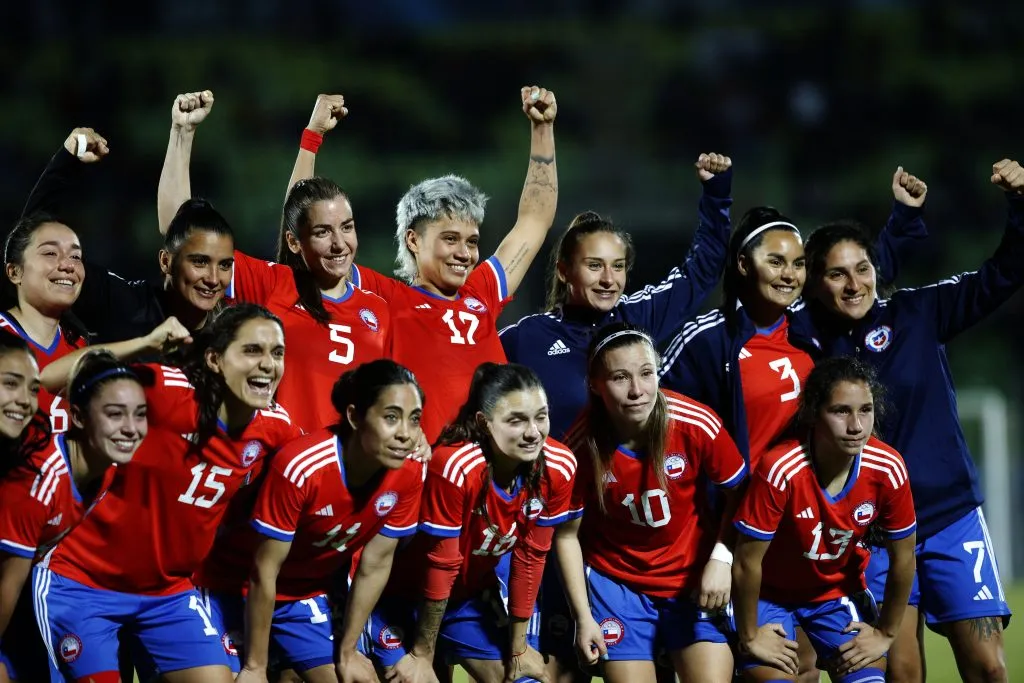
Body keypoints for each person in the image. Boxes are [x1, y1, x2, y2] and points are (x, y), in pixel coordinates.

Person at [799, 159, 1024, 683]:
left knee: (989, 667)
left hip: (950, 519)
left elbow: (1005, 273)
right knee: (903, 674)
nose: (854, 284)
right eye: (837, 273)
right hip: (871, 533)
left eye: (863, 269)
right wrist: (902, 221)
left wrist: (1020, 205)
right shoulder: (807, 342)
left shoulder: (920, 312)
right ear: (816, 282)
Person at [34, 303, 302, 683]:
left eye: (277, 353)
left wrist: (414, 453)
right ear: (213, 359)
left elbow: (322, 462)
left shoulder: (276, 429)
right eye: (252, 350)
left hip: (168, 594)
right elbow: (48, 379)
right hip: (82, 581)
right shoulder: (164, 391)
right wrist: (144, 342)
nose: (268, 364)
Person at [292, 86, 558, 442]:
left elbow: (534, 221)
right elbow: (306, 233)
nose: (465, 253)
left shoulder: (481, 293)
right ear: (413, 240)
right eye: (450, 239)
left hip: (495, 475)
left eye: (472, 242)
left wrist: (542, 130)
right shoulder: (386, 299)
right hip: (428, 477)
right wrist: (312, 140)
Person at [157, 91, 391, 433]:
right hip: (277, 470)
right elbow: (182, 233)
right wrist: (182, 133)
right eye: (325, 232)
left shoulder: (379, 305)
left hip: (350, 479)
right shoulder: (275, 285)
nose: (339, 243)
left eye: (348, 228)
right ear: (296, 243)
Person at [188, 359, 426, 683]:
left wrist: (348, 650)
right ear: (355, 416)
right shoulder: (303, 468)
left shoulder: (410, 473)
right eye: (391, 418)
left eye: (414, 420)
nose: (406, 435)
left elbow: (376, 562)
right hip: (234, 585)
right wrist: (255, 667)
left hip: (304, 593)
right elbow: (263, 570)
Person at [555, 323, 748, 683]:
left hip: (690, 579)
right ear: (595, 385)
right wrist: (583, 616)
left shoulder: (696, 423)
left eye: (646, 373)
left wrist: (722, 558)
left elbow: (741, 495)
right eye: (619, 377)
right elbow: (566, 536)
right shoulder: (579, 447)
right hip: (617, 585)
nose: (637, 391)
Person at [364, 362, 576, 683]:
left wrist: (517, 650)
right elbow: (442, 564)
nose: (533, 432)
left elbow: (530, 558)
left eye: (541, 416)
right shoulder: (454, 466)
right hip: (398, 597)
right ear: (485, 423)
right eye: (516, 420)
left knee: (523, 680)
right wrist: (423, 654)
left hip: (465, 602)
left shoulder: (557, 467)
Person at [500, 152, 733, 439]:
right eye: (595, 266)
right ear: (564, 271)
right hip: (558, 483)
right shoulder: (527, 337)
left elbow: (701, 272)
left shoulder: (637, 317)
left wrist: (716, 196)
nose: (609, 280)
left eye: (618, 266)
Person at [732, 356, 918, 683]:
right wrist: (749, 636)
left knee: (867, 676)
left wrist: (886, 633)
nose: (856, 426)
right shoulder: (780, 469)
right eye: (841, 411)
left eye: (865, 410)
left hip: (835, 597)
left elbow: (903, 558)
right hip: (768, 597)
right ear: (814, 413)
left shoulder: (887, 467)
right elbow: (747, 563)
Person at [0, 346, 147, 683]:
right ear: (79, 416)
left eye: (34, 389)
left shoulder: (102, 470)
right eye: (10, 384)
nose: (25, 399)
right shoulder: (38, 482)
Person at [22, 126, 235, 341]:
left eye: (225, 265)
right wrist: (65, 162)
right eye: (199, 262)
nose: (213, 278)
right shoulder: (123, 306)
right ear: (165, 261)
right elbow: (31, 241)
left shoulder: (231, 337)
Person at [1, 211, 91, 433]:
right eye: (51, 253)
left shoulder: (80, 347)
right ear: (14, 272)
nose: (68, 266)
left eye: (76, 257)